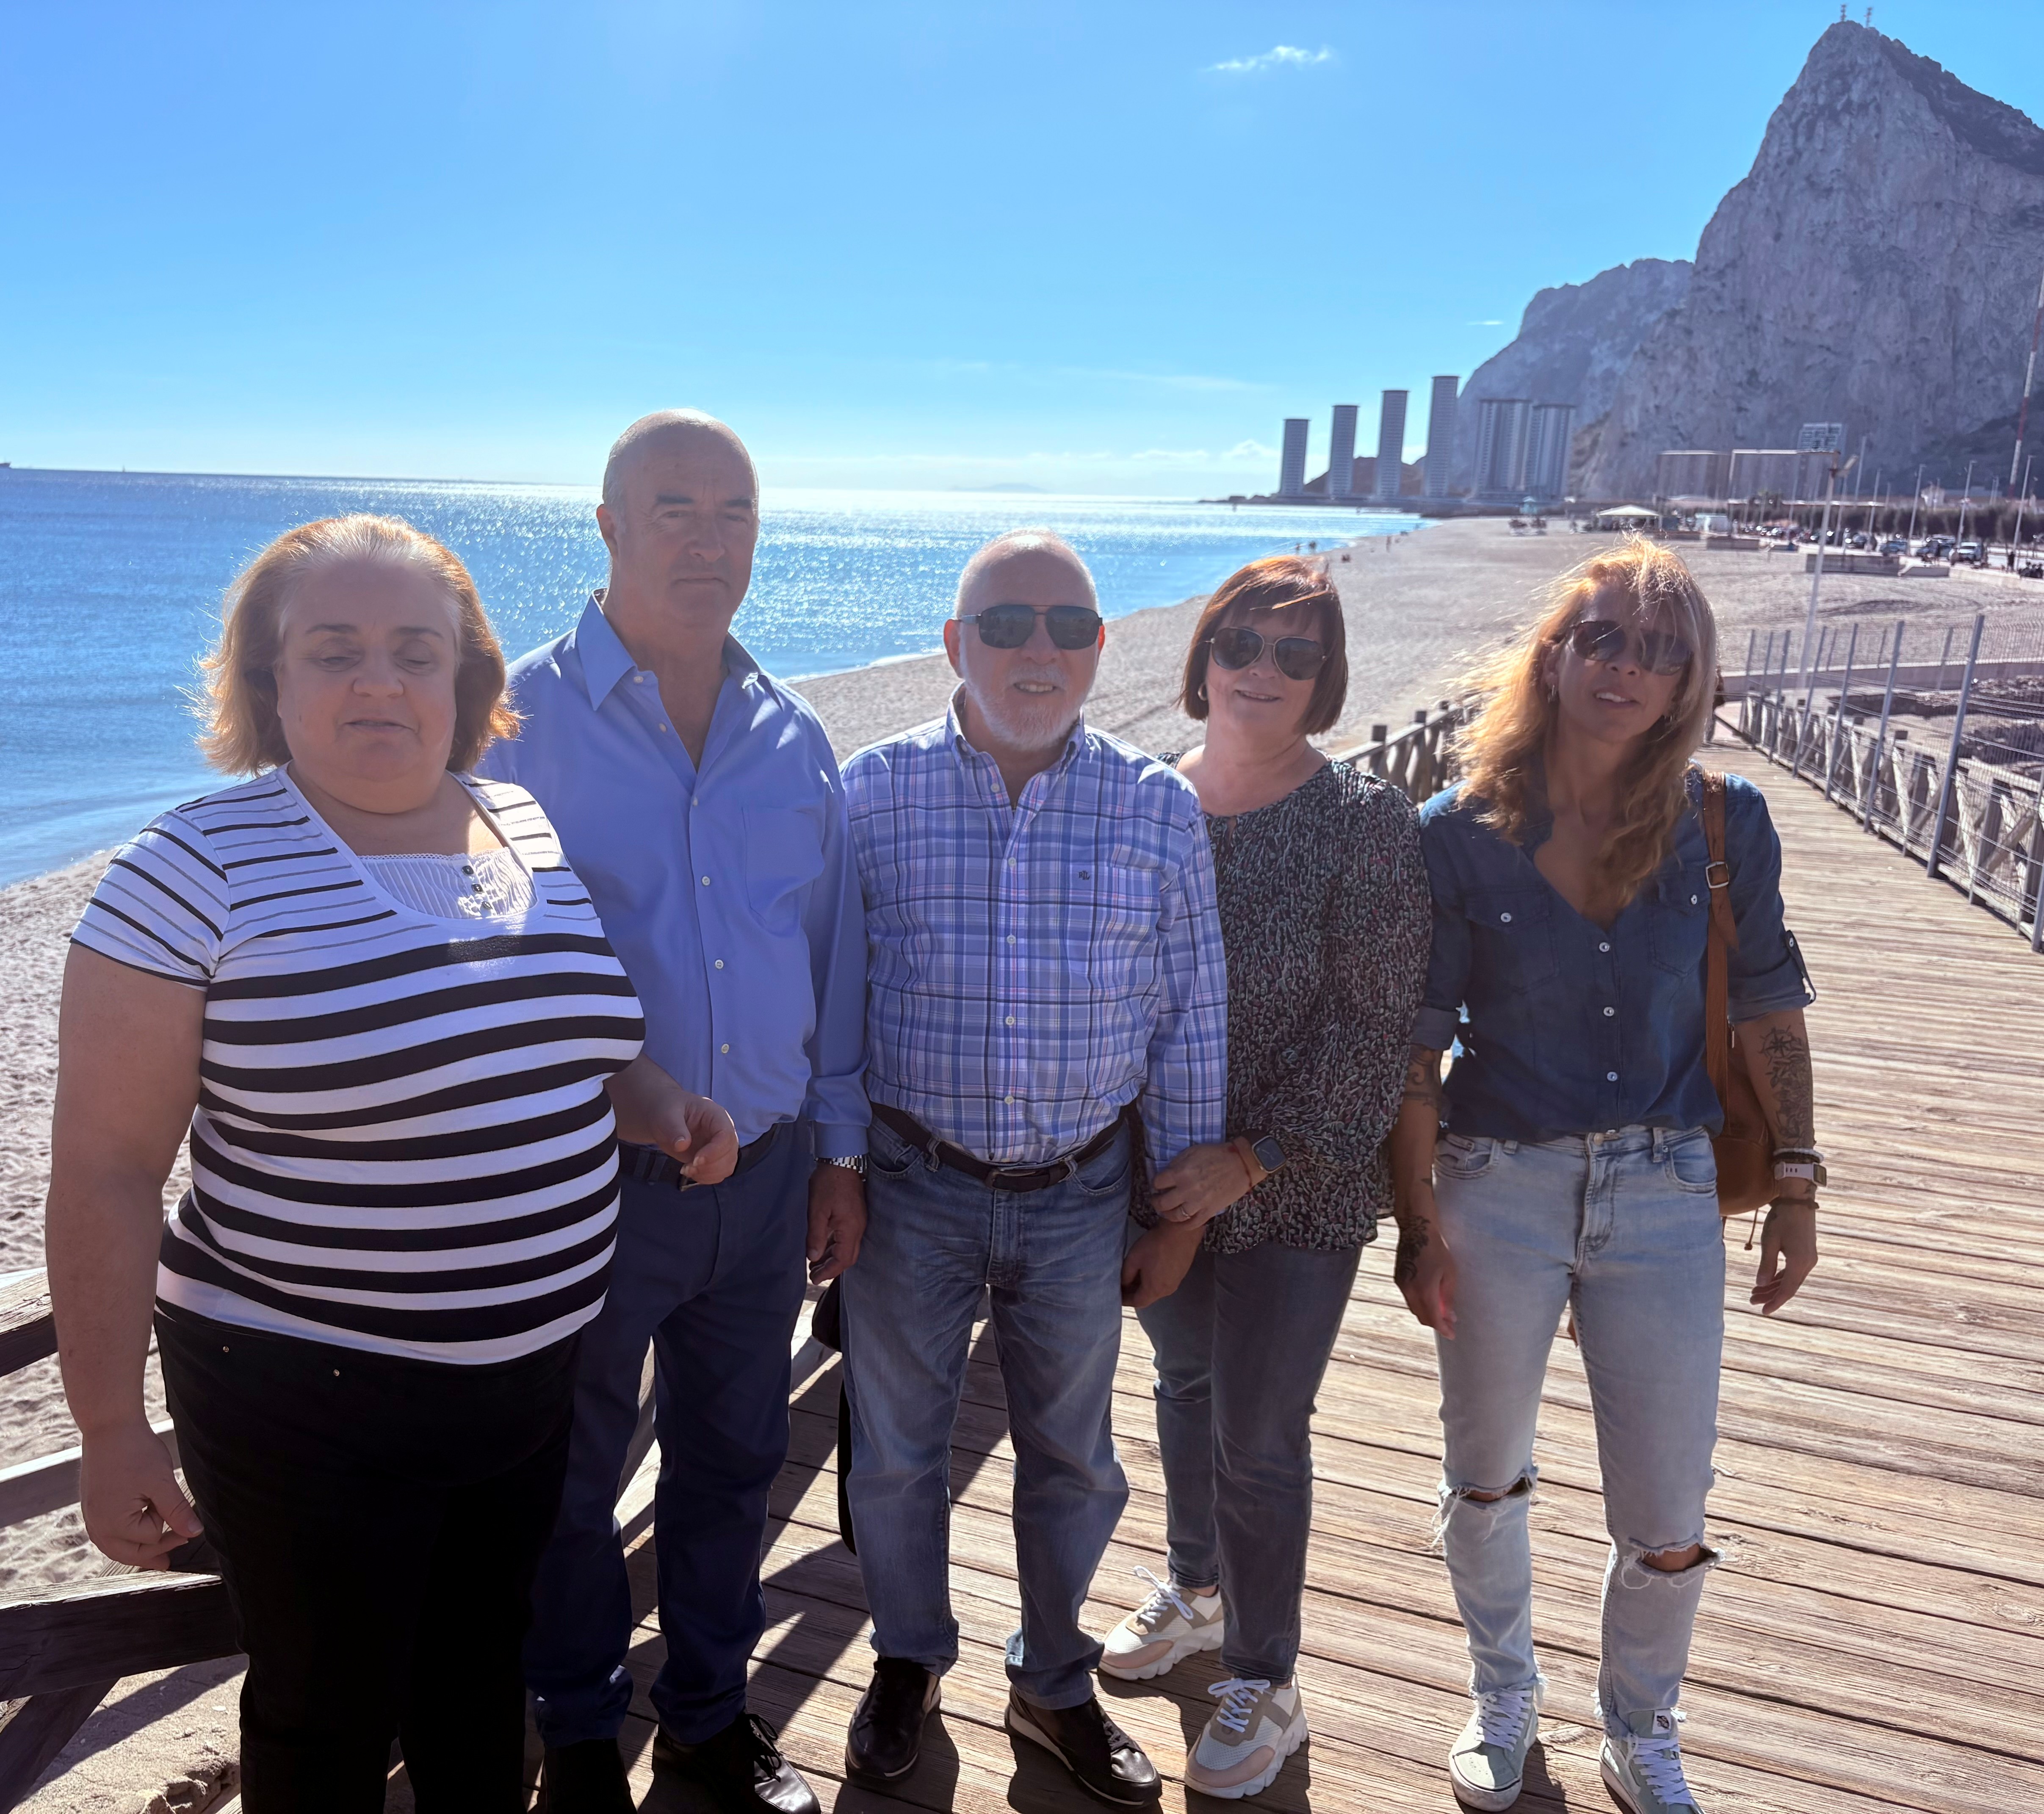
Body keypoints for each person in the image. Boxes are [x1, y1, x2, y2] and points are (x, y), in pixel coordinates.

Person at [46, 515, 736, 1812]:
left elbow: (574, 1044)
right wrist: (107, 1427)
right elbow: (102, 1168)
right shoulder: (186, 872)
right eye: (335, 649)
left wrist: (662, 1107)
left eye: (417, 651)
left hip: (528, 1380)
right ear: (270, 681)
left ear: (469, 682)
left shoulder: (519, 821)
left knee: (478, 1685)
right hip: (302, 1389)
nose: (381, 680)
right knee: (324, 1717)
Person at [476, 412, 868, 1814]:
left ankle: (709, 1715)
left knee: (734, 1460)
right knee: (573, 1482)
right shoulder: (512, 724)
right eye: (676, 508)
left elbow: (826, 959)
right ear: (606, 523)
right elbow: (489, 972)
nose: (710, 539)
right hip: (588, 1186)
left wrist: (834, 1156)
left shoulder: (793, 731)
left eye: (736, 513)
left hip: (764, 1185)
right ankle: (578, 1732)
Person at [1393, 540, 1820, 1814]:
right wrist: (1416, 1223)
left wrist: (1795, 1181)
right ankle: (1501, 1693)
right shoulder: (1457, 833)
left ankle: (1639, 1723)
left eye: (1660, 649)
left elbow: (1768, 1004)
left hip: (1665, 1190)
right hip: (1493, 1184)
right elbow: (1416, 1045)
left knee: (1668, 1499)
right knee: (1484, 1471)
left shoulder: (1721, 821)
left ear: (1690, 680)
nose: (1628, 667)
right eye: (1604, 639)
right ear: (1556, 653)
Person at [835, 530, 1227, 1806]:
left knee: (1074, 1456)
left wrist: (1172, 1210)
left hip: (1079, 1190)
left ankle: (1052, 1676)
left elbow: (1189, 1019)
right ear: (954, 644)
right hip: (910, 1180)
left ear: (1102, 646)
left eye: (1067, 624)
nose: (1037, 649)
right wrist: (832, 1165)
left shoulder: (1156, 804)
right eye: (1004, 623)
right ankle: (906, 1659)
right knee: (893, 1450)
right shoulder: (871, 791)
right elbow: (832, 1007)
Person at [1107, 556, 1431, 1800]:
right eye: (1242, 640)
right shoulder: (1146, 800)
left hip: (1294, 1180)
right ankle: (1194, 1588)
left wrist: (1251, 1157)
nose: (1263, 668)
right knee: (1182, 1386)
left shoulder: (1362, 819)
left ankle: (1264, 1671)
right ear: (1202, 656)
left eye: (1296, 653)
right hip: (1161, 1173)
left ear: (1324, 679)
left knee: (1260, 1428)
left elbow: (1374, 1023)